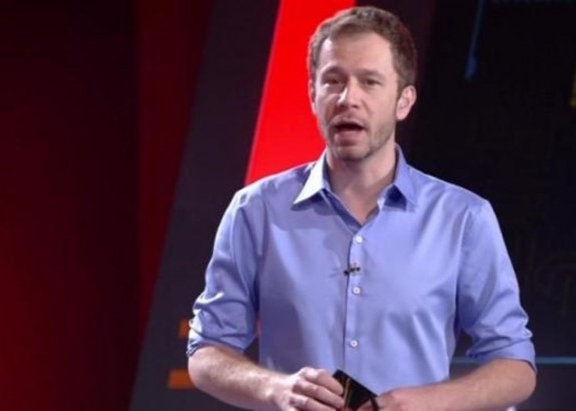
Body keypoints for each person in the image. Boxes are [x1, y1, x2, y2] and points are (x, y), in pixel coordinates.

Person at [187, 6, 536, 411]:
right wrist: (276, 389)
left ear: (403, 101)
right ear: (313, 95)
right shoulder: (257, 210)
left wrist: (431, 403)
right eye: (333, 81)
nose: (347, 98)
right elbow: (206, 353)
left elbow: (516, 366)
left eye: (369, 82)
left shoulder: (463, 218)